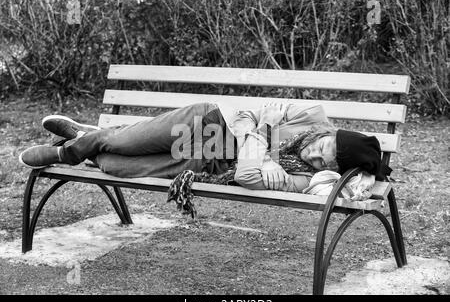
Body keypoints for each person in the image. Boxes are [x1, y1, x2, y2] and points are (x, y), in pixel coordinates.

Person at [18, 102, 389, 194]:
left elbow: (245, 176)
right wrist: (264, 148)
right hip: (204, 124)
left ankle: (88, 135)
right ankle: (65, 152)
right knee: (117, 142)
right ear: (330, 132)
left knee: (113, 165)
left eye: (322, 161)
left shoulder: (311, 177)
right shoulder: (312, 115)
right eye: (322, 146)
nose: (313, 155)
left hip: (205, 165)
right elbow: (247, 113)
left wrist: (259, 136)